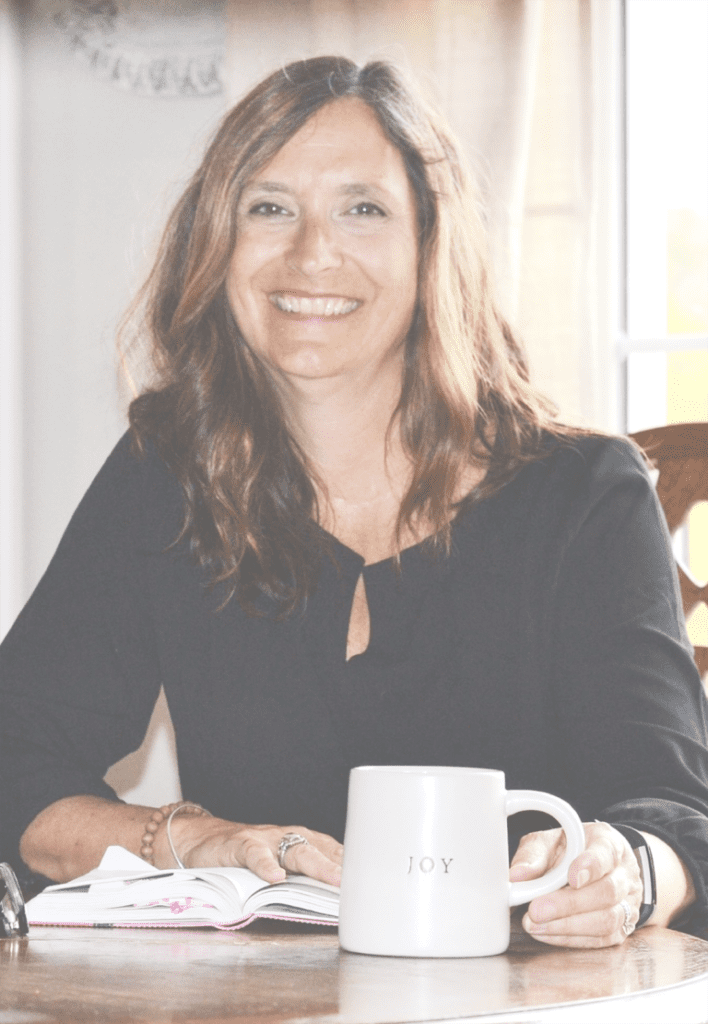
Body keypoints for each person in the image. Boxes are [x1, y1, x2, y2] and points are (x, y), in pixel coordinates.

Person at [2, 56, 707, 949]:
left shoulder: (585, 496)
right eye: (269, 208)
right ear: (214, 248)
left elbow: (676, 815)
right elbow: (12, 767)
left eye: (362, 209)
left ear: (429, 243)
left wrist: (630, 873)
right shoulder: (167, 476)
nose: (311, 254)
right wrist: (191, 839)